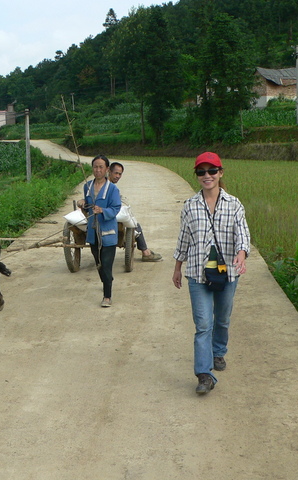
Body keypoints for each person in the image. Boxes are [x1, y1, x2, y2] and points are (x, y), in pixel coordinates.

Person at [171, 152, 250, 395]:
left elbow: (243, 234)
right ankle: (204, 375)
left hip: (227, 273)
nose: (207, 176)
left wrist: (242, 254)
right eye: (201, 172)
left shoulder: (234, 204)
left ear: (220, 173)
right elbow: (184, 238)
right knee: (203, 323)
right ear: (197, 176)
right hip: (197, 272)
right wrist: (177, 267)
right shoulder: (190, 206)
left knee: (222, 319)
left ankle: (218, 352)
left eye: (212, 171)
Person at [77, 155, 122, 308]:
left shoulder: (112, 189)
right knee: (98, 263)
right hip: (93, 233)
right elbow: (87, 207)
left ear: (107, 169)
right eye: (95, 167)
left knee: (106, 264)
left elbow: (116, 208)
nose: (98, 170)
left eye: (101, 167)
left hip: (108, 233)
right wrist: (83, 203)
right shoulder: (87, 186)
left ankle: (107, 296)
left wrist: (103, 210)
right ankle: (107, 281)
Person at [108, 162, 162, 262]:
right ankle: (146, 252)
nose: (117, 176)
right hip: (108, 215)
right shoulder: (110, 187)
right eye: (116, 173)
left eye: (119, 174)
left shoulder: (101, 184)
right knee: (135, 224)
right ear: (109, 171)